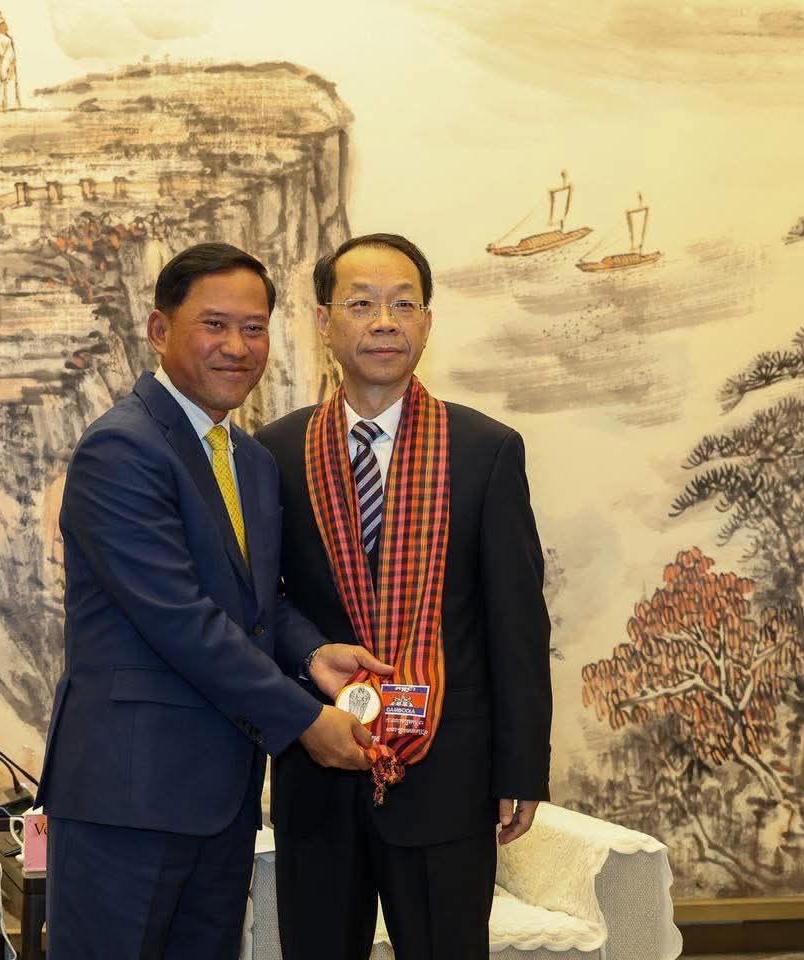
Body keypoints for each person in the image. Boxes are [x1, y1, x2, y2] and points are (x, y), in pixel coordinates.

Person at [35, 242, 390, 960]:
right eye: (215, 324)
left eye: (254, 328)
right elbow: (180, 619)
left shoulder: (249, 460)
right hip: (127, 798)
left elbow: (257, 604)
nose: (237, 346)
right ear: (159, 330)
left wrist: (312, 654)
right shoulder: (122, 449)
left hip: (222, 800)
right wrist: (305, 721)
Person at [256, 233, 553, 960]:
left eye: (403, 305)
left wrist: (521, 769)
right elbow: (261, 602)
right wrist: (310, 655)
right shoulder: (274, 452)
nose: (384, 322)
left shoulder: (484, 449)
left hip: (448, 772)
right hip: (319, 762)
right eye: (361, 304)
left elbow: (516, 622)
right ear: (324, 322)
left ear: (427, 322)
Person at [0, 11, 21, 111]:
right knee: (2, 83)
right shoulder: (3, 39)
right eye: (1, 25)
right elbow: (4, 55)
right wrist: (2, 68)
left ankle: (3, 104)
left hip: (3, 66)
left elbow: (0, 55)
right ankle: (1, 104)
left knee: (2, 84)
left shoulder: (1, 39)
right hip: (4, 66)